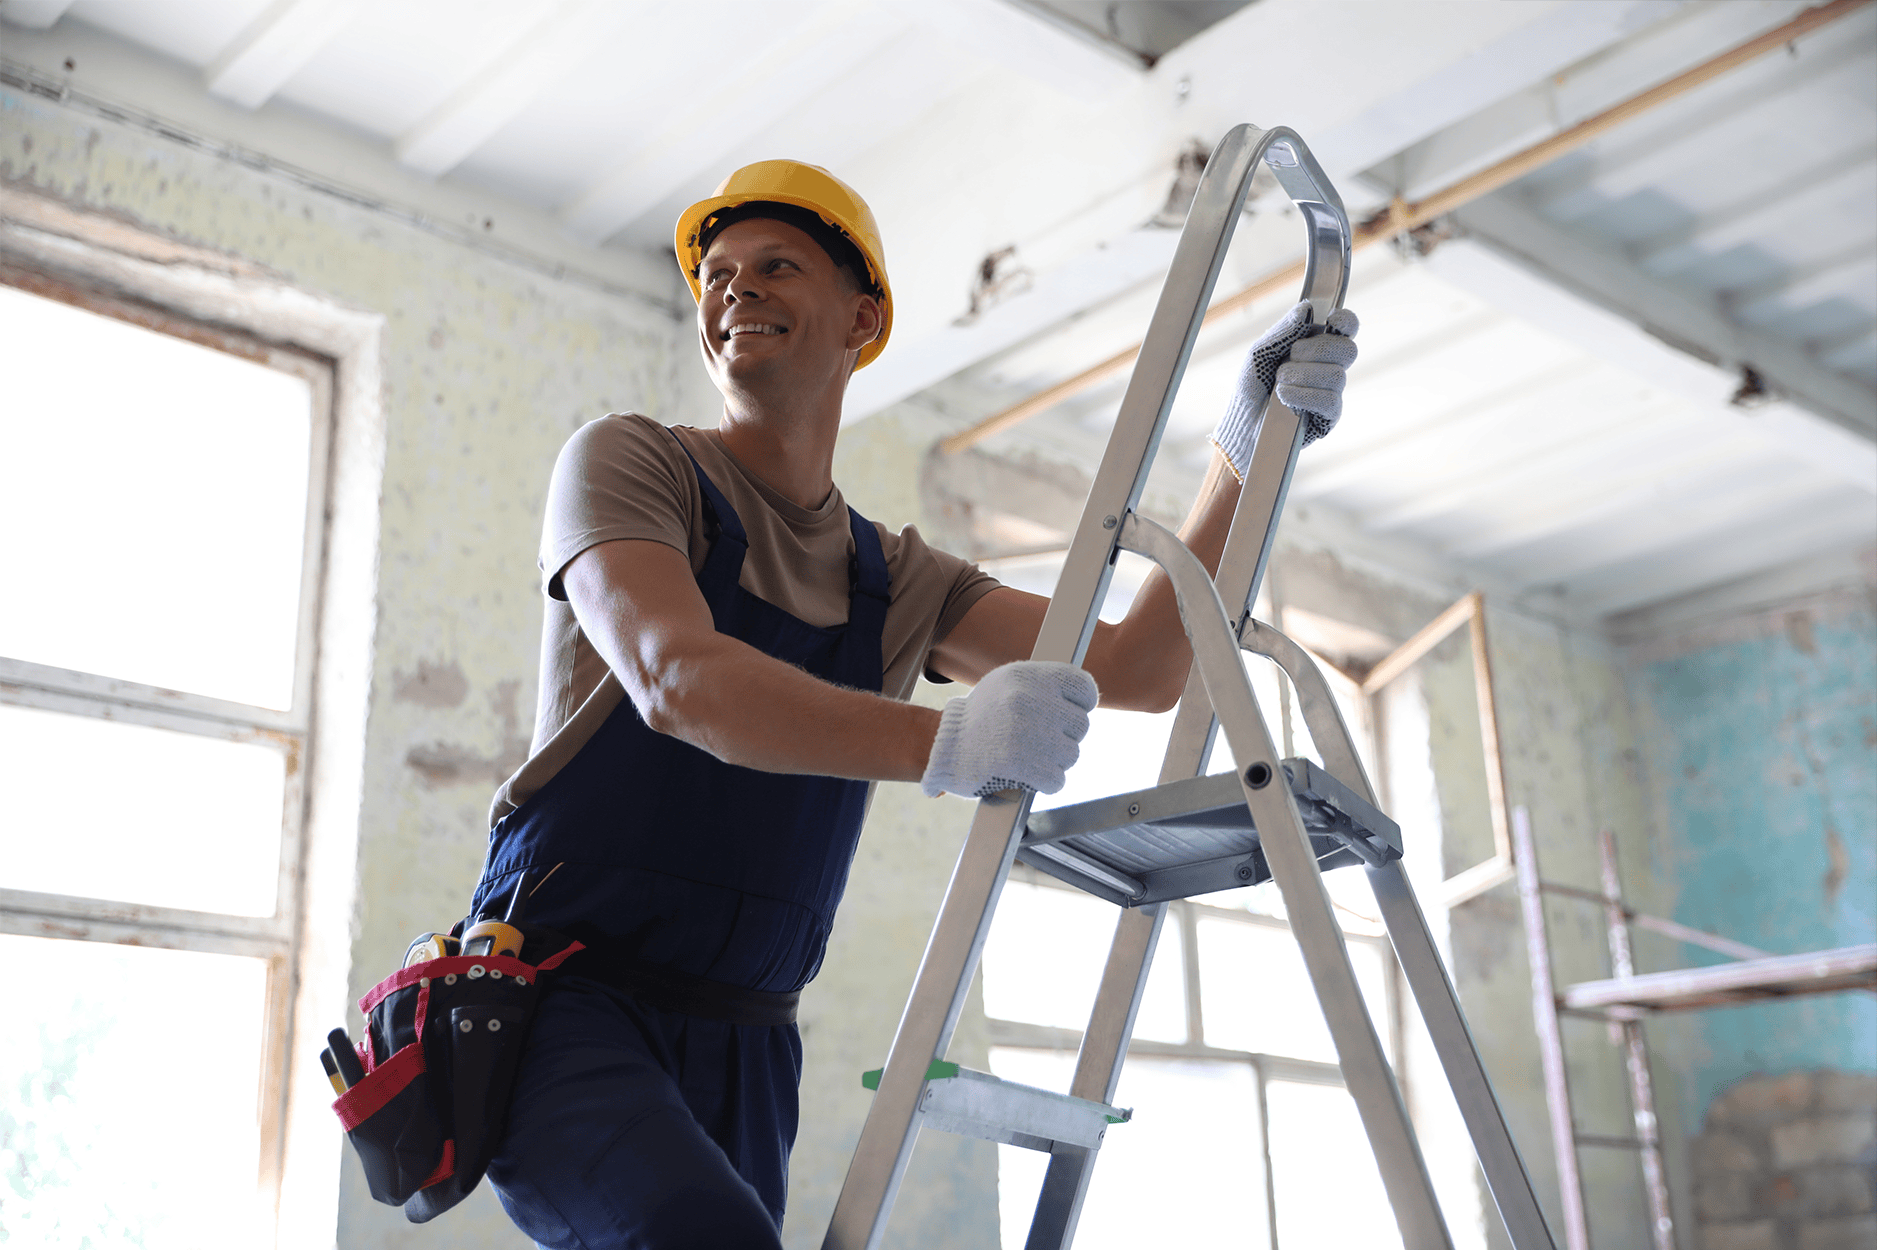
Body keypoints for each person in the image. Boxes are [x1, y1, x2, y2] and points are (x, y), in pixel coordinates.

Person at [472, 160, 1357, 1248]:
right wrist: (946, 740)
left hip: (747, 1034)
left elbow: (1140, 665)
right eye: (717, 273)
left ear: (864, 315)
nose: (733, 290)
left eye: (775, 265)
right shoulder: (631, 464)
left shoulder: (895, 579)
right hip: (566, 1000)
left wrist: (1246, 448)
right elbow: (674, 677)